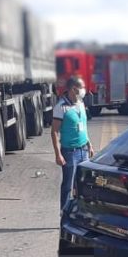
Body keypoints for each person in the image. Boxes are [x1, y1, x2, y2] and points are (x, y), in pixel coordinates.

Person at [51, 76, 92, 212]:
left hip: (83, 151)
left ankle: (80, 212)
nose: (84, 90)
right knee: (68, 185)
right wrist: (58, 155)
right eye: (82, 87)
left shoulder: (80, 103)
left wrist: (89, 145)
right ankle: (64, 213)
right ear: (74, 89)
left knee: (83, 185)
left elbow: (84, 127)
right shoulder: (61, 107)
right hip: (70, 152)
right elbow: (55, 132)